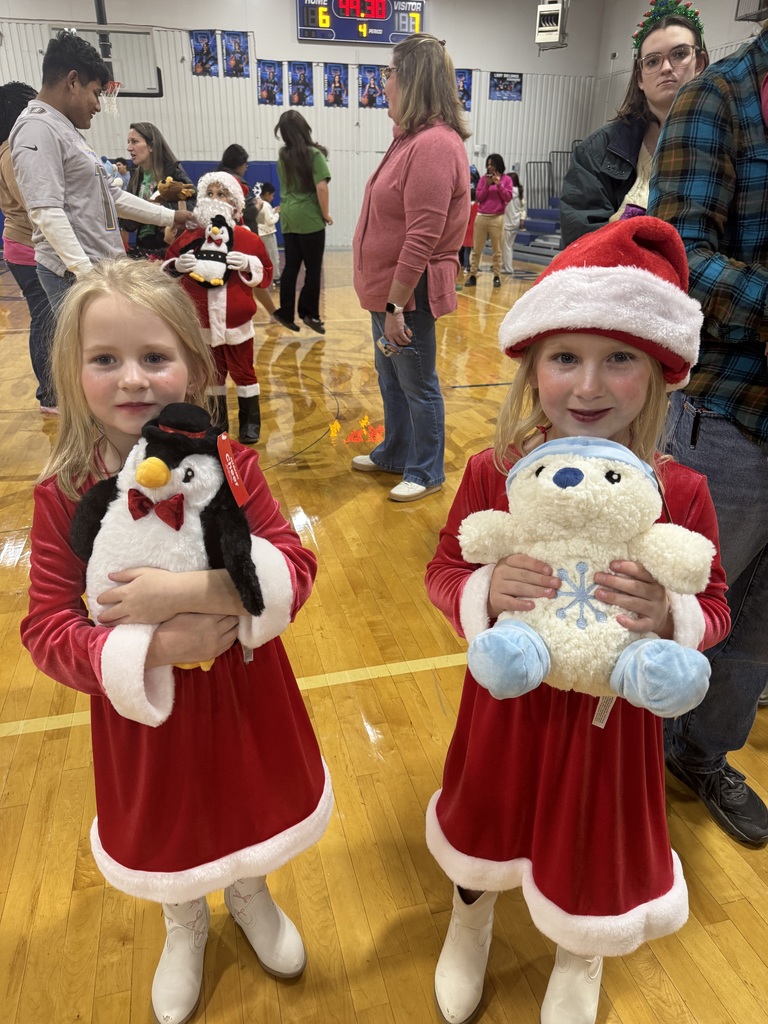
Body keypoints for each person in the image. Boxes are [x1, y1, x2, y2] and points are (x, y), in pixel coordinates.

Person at [425, 216, 729, 1024]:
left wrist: (672, 613)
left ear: (659, 372)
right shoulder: (498, 472)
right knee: (485, 818)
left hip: (610, 724)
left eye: (618, 358)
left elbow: (718, 604)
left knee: (589, 841)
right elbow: (444, 570)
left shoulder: (683, 491)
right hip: (507, 706)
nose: (588, 387)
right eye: (566, 358)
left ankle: (580, 949)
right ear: (532, 369)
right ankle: (471, 916)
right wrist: (487, 589)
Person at [20, 257, 333, 1024]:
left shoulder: (235, 465)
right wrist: (151, 650)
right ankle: (183, 918)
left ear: (193, 367)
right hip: (146, 711)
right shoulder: (61, 494)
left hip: (243, 687)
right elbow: (47, 629)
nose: (133, 379)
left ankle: (252, 891)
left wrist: (189, 594)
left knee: (249, 801)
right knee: (175, 817)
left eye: (154, 357)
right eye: (106, 360)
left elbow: (295, 563)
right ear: (73, 371)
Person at [647, 21, 768, 846]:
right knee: (674, 605)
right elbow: (680, 253)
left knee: (755, 629)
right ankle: (628, 760)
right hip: (728, 413)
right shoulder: (718, 99)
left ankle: (703, 753)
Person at [352, 34, 470, 502]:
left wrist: (397, 302)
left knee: (418, 385)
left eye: (389, 73)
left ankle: (426, 470)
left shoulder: (435, 146)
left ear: (413, 77)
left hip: (408, 295)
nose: (383, 84)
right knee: (392, 379)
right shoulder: (408, 141)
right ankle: (395, 452)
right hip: (389, 293)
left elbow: (422, 235)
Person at [10, 31, 190, 311]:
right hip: (76, 277)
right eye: (95, 93)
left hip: (99, 272)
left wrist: (170, 215)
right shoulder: (37, 128)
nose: (97, 105)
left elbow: (113, 198)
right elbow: (46, 210)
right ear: (72, 81)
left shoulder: (64, 130)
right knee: (92, 354)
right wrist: (86, 274)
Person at [559, 0, 708, 247]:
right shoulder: (595, 152)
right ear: (640, 77)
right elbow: (582, 246)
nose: (667, 68)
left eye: (679, 54)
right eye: (652, 61)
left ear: (700, 63)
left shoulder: (732, 140)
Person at [164, 171, 273, 444]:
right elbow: (165, 270)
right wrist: (176, 267)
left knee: (244, 372)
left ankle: (250, 423)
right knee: (211, 375)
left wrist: (249, 264)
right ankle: (216, 422)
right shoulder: (190, 238)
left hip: (237, 325)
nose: (214, 199)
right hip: (201, 323)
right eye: (209, 194)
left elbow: (267, 274)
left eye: (221, 194)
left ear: (235, 204)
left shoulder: (249, 240)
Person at [0, 80, 56, 413]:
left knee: (48, 319)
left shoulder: (11, 148)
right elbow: (37, 208)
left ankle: (53, 390)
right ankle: (50, 395)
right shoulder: (12, 152)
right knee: (45, 320)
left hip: (25, 246)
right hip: (28, 249)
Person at [271, 110, 331, 335]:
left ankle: (286, 312)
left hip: (288, 215)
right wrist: (326, 214)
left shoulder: (283, 156)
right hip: (308, 217)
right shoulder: (313, 154)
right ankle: (309, 313)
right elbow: (321, 187)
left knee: (292, 266)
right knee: (313, 268)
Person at [121, 121, 194, 258]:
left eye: (134, 142)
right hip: (143, 249)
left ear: (151, 146)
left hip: (170, 250)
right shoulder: (136, 177)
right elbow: (128, 225)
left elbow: (193, 207)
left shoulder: (173, 173)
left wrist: (160, 207)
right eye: (128, 142)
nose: (129, 148)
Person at [464, 154, 513, 289]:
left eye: (492, 164)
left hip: (497, 217)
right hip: (482, 216)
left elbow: (507, 197)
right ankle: (472, 275)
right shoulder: (483, 180)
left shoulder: (506, 179)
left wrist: (499, 185)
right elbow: (479, 197)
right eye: (488, 164)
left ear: (499, 165)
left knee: (497, 250)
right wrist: (486, 185)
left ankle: (497, 276)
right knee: (476, 248)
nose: (490, 167)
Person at [217, 143, 258, 233]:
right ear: (238, 164)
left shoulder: (215, 179)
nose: (246, 168)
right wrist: (258, 206)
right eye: (245, 164)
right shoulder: (236, 182)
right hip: (238, 231)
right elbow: (249, 211)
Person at [256, 181, 281, 284]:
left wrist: (273, 211)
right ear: (267, 194)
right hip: (267, 234)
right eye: (272, 195)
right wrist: (277, 214)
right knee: (273, 257)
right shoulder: (266, 205)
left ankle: (265, 277)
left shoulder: (258, 201)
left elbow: (265, 217)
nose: (273, 198)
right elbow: (270, 221)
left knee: (264, 257)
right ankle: (276, 278)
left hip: (260, 233)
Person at [501, 170, 524, 274]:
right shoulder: (520, 193)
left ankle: (508, 268)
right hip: (515, 223)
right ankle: (504, 266)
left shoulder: (509, 192)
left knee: (506, 247)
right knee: (509, 246)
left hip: (508, 223)